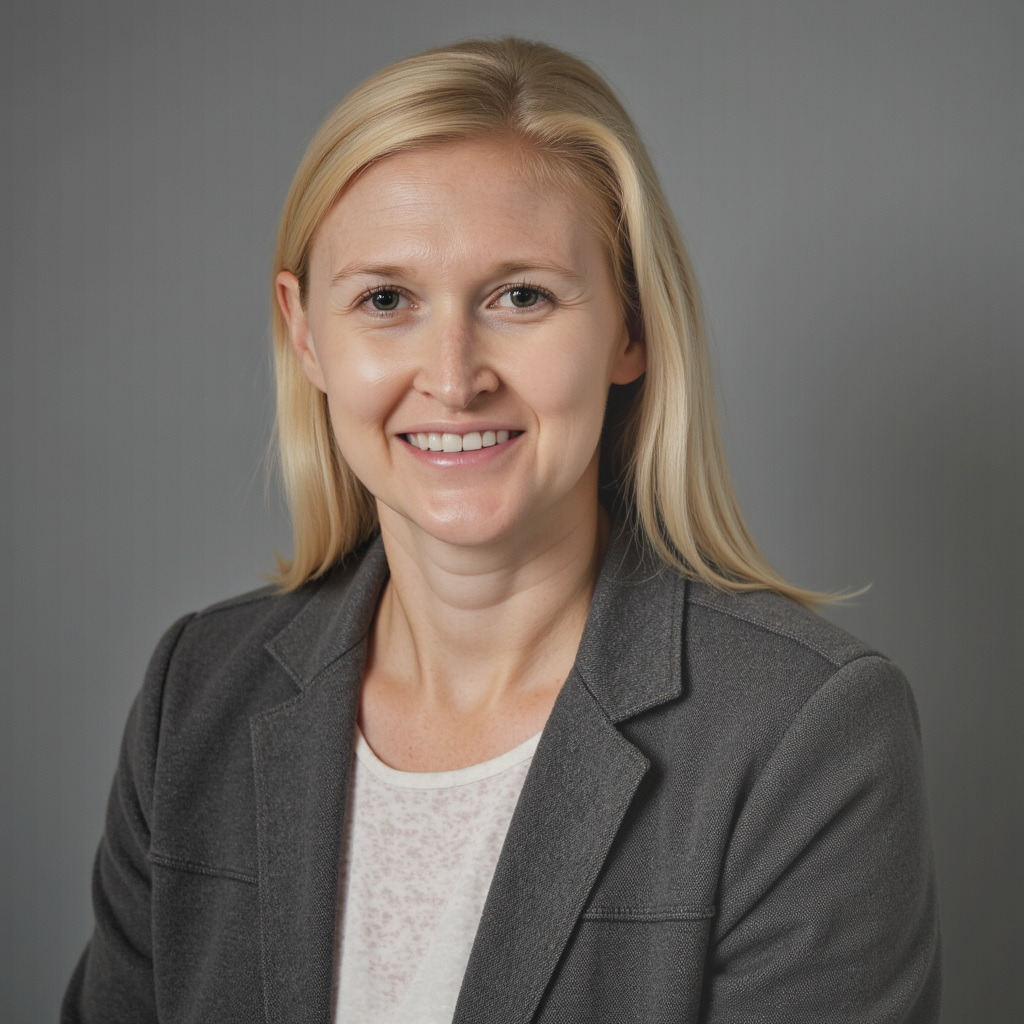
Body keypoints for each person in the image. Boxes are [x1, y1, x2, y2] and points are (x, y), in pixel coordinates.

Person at [62, 37, 940, 1024]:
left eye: (518, 295)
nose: (452, 372)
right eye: (385, 299)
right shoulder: (197, 693)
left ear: (629, 326)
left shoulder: (803, 732)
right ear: (305, 333)